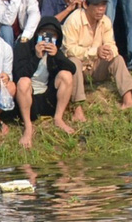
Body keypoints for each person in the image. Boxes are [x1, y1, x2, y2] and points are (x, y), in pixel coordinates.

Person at [59, 0, 132, 110]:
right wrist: (95, 52)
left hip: (96, 68)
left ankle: (128, 100)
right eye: (96, 5)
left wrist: (110, 52)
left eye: (103, 5)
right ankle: (78, 107)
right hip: (79, 70)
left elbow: (111, 43)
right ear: (85, 5)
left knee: (118, 59)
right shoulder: (73, 20)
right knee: (73, 61)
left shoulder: (105, 21)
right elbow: (69, 49)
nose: (101, 9)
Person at [13, 19, 81, 147]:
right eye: (44, 34)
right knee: (23, 82)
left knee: (65, 75)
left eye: (52, 35)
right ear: (37, 34)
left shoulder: (55, 51)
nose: (47, 38)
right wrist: (36, 57)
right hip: (28, 98)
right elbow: (19, 74)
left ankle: (58, 118)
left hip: (48, 98)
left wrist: (56, 55)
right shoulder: (24, 47)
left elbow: (72, 69)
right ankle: (28, 127)